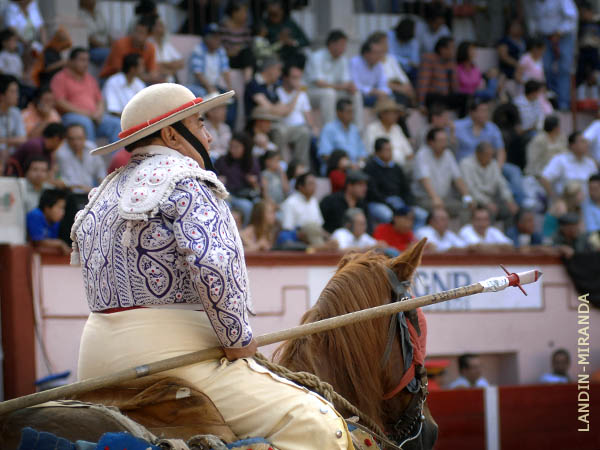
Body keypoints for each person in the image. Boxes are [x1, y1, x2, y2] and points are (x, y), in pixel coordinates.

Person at [71, 83, 354, 449]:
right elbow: (212, 266)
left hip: (94, 361)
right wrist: (237, 340)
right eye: (200, 123)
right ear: (173, 134)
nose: (208, 135)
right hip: (170, 358)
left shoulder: (103, 193)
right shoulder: (187, 181)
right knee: (316, 424)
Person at [455, 98, 525, 205]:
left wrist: (497, 169)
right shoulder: (457, 126)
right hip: (466, 166)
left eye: (487, 111)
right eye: (482, 111)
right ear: (472, 113)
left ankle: (521, 203)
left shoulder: (492, 128)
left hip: (489, 165)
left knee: (514, 171)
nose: (486, 114)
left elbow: (501, 150)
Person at [51, 48, 121, 144]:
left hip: (93, 117)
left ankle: (117, 158)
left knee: (117, 124)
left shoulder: (90, 78)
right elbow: (60, 102)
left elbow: (99, 100)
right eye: (82, 60)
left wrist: (98, 113)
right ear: (71, 61)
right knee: (85, 123)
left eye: (87, 60)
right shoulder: (60, 78)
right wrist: (86, 114)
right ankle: (90, 157)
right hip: (71, 117)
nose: (86, 64)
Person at [304, 30, 362, 128]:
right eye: (341, 45)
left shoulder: (343, 59)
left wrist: (350, 86)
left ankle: (357, 129)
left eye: (345, 45)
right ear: (331, 44)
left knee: (356, 94)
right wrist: (342, 86)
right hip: (311, 92)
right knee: (329, 93)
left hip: (333, 91)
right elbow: (319, 83)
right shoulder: (316, 57)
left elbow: (346, 81)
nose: (344, 48)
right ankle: (330, 129)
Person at [529, 0, 578, 110]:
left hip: (563, 35)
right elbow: (534, 19)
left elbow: (572, 17)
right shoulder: (536, 3)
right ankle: (551, 100)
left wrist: (560, 32)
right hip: (544, 37)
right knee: (545, 67)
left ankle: (563, 103)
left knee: (564, 69)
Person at [412, 127, 472, 215]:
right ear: (431, 142)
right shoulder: (422, 155)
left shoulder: (448, 154)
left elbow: (457, 178)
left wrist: (467, 197)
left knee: (467, 208)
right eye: (441, 141)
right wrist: (435, 198)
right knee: (439, 209)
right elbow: (424, 179)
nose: (444, 144)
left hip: (444, 198)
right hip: (425, 198)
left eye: (445, 140)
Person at [460, 142, 518, 221]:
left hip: (492, 199)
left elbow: (502, 184)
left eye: (491, 155)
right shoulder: (466, 164)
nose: (490, 157)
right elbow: (470, 189)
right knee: (489, 213)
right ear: (478, 154)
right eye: (487, 155)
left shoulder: (493, 164)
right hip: (476, 200)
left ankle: (507, 233)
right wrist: (487, 203)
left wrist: (509, 200)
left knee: (513, 210)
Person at [364, 137, 414, 226]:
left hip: (398, 201)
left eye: (391, 149)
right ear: (377, 152)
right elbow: (372, 192)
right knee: (388, 216)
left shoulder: (396, 167)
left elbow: (406, 189)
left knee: (419, 215)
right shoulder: (370, 168)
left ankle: (412, 239)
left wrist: (408, 205)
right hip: (379, 203)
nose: (390, 152)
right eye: (386, 150)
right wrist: (389, 204)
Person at [215, 131, 261, 226]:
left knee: (247, 207)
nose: (233, 150)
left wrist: (253, 182)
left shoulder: (252, 163)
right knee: (225, 207)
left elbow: (258, 189)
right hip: (226, 194)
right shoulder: (223, 161)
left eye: (236, 147)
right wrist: (218, 181)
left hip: (243, 195)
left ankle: (243, 234)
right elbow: (212, 179)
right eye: (231, 146)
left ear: (245, 147)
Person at [274, 64, 314, 167]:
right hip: (283, 126)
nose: (297, 81)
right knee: (280, 132)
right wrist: (297, 93)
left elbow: (308, 115)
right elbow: (286, 112)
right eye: (294, 77)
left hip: (299, 128)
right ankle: (280, 165)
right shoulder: (278, 92)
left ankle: (299, 167)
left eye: (299, 78)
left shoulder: (303, 94)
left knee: (306, 132)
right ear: (285, 78)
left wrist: (313, 128)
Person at [100, 16, 160, 84]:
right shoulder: (120, 44)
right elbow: (119, 71)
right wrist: (142, 76)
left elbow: (152, 73)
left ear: (148, 35)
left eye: (141, 33)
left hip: (136, 79)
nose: (137, 35)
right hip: (111, 78)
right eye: (136, 31)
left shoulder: (150, 48)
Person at [540, 131, 598, 199]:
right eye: (582, 141)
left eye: (586, 141)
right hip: (566, 203)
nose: (586, 144)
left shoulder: (590, 163)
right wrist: (555, 199)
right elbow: (544, 179)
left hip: (588, 203)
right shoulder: (560, 160)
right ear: (572, 145)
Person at [55, 124, 105, 193]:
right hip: (70, 194)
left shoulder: (91, 147)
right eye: (72, 139)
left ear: (85, 137)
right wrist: (92, 190)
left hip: (91, 192)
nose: (76, 142)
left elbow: (100, 172)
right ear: (67, 139)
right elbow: (70, 182)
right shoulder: (61, 153)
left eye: (79, 138)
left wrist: (102, 189)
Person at [364, 98, 413, 166]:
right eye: (392, 113)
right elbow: (372, 152)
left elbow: (409, 153)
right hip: (381, 167)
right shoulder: (372, 129)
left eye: (396, 113)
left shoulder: (397, 128)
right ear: (382, 114)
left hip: (401, 167)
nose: (395, 116)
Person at [188, 23, 232, 98]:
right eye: (214, 37)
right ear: (206, 38)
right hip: (200, 86)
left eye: (218, 36)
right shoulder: (199, 50)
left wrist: (230, 88)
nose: (218, 40)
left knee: (230, 98)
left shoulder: (221, 50)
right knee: (207, 97)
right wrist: (209, 88)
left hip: (214, 86)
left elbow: (225, 71)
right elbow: (198, 73)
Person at [318, 98, 367, 165]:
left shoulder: (354, 129)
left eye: (352, 112)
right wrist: (346, 164)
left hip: (356, 167)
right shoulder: (329, 129)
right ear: (339, 113)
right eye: (348, 112)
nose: (351, 115)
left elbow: (362, 153)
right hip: (337, 168)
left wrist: (360, 163)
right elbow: (325, 155)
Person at [320, 170, 368, 234]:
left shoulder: (362, 205)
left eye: (365, 185)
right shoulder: (330, 201)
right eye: (360, 184)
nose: (364, 188)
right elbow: (318, 223)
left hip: (356, 241)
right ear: (349, 186)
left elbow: (368, 228)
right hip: (332, 239)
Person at [350, 34, 391, 107]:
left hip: (375, 95)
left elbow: (383, 84)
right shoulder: (354, 62)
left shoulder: (378, 65)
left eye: (380, 53)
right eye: (376, 53)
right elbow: (355, 85)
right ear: (366, 54)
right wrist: (371, 91)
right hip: (360, 95)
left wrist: (382, 92)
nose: (379, 56)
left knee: (392, 97)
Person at [417, 36, 457, 109]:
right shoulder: (429, 59)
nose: (454, 51)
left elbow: (455, 87)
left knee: (464, 98)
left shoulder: (451, 62)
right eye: (452, 48)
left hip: (445, 96)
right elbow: (423, 82)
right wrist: (421, 103)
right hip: (432, 96)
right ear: (442, 49)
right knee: (438, 98)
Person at [26, 188, 69, 254]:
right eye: (60, 208)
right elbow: (38, 242)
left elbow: (50, 244)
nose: (63, 212)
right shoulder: (35, 215)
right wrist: (60, 243)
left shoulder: (55, 222)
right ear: (47, 208)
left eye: (63, 208)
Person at [218, 1, 254, 81]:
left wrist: (238, 49)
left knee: (248, 54)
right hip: (228, 59)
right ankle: (248, 82)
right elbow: (221, 48)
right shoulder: (223, 27)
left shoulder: (245, 29)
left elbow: (249, 46)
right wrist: (235, 50)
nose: (246, 15)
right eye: (243, 12)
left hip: (242, 59)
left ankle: (248, 80)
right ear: (234, 13)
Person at [0, 74, 26, 168]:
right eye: (12, 92)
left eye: (16, 92)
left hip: (10, 155)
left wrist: (3, 141)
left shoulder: (15, 112)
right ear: (1, 95)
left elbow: (22, 139)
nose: (17, 96)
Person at [149, 17, 184, 83]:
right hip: (155, 82)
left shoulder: (166, 45)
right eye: (159, 25)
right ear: (153, 28)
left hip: (170, 80)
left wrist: (164, 65)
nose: (162, 28)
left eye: (162, 26)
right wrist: (171, 67)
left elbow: (181, 63)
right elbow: (153, 67)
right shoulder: (149, 44)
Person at [79, 0, 111, 66]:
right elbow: (88, 38)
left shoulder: (98, 13)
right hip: (92, 49)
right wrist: (104, 47)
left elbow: (107, 32)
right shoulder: (80, 14)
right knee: (111, 53)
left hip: (105, 46)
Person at [387, 17, 419, 82]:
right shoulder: (390, 35)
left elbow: (415, 61)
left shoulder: (412, 41)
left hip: (407, 70)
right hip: (391, 68)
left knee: (417, 73)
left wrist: (409, 63)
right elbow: (389, 56)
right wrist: (407, 62)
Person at [204, 92, 231, 161]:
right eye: (221, 108)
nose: (225, 111)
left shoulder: (226, 128)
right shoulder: (203, 127)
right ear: (210, 112)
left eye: (225, 108)